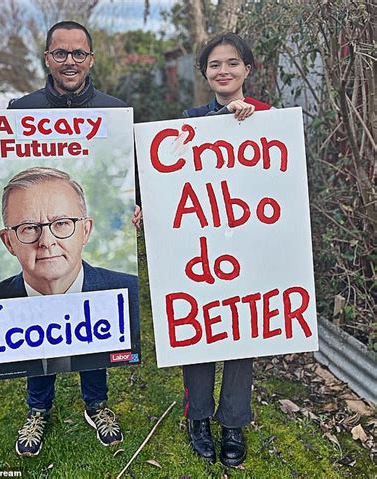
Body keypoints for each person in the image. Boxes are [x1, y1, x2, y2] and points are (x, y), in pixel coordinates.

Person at [0, 20, 141, 458]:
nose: (70, 61)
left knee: (95, 321)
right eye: (61, 53)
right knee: (36, 322)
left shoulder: (114, 112)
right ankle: (38, 407)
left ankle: (97, 403)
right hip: (37, 241)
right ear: (47, 58)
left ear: (91, 59)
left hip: (69, 236)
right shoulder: (20, 111)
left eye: (78, 53)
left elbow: (129, 175)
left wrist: (134, 207)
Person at [0, 167, 140, 457]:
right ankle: (38, 409)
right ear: (8, 242)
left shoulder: (126, 292)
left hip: (98, 314)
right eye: (29, 228)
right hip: (22, 316)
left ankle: (96, 405)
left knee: (95, 346)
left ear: (85, 230)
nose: (46, 242)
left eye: (62, 223)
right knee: (36, 347)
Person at [181, 33, 272, 467]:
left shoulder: (268, 120)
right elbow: (175, 183)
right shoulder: (189, 121)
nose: (223, 71)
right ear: (205, 73)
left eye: (232, 63)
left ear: (247, 70)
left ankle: (232, 421)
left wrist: (249, 122)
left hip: (247, 244)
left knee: (241, 331)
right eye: (214, 64)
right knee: (199, 331)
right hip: (201, 245)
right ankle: (197, 417)